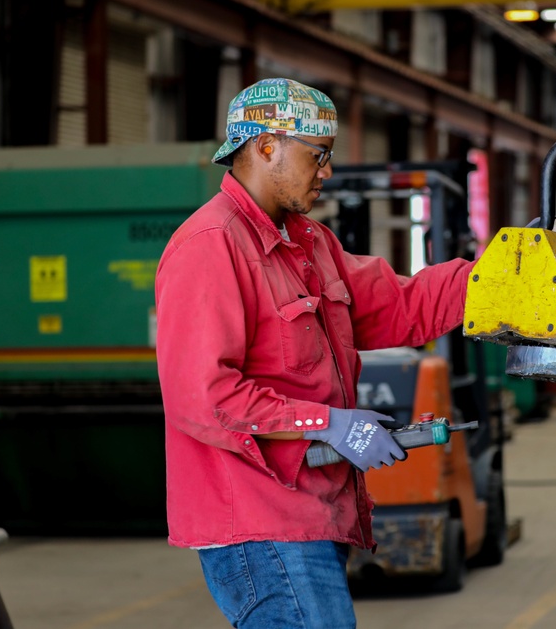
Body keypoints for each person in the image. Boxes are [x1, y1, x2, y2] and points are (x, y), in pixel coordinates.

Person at [154, 78, 475, 629]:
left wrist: (506, 275)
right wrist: (328, 424)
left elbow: (402, 306)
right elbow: (204, 397)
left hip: (308, 514)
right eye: (318, 154)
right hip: (260, 522)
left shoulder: (308, 244)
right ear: (266, 146)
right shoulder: (210, 246)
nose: (326, 170)